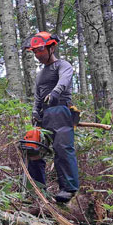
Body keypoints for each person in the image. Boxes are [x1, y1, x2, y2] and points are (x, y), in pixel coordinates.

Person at [24, 31, 79, 203]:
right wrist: (35, 110)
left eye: (40, 51)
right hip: (44, 116)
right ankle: (37, 190)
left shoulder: (63, 65)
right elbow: (38, 96)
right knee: (33, 147)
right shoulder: (40, 74)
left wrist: (56, 92)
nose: (37, 55)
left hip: (61, 111)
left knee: (62, 148)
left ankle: (68, 188)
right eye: (35, 52)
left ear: (51, 47)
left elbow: (64, 80)